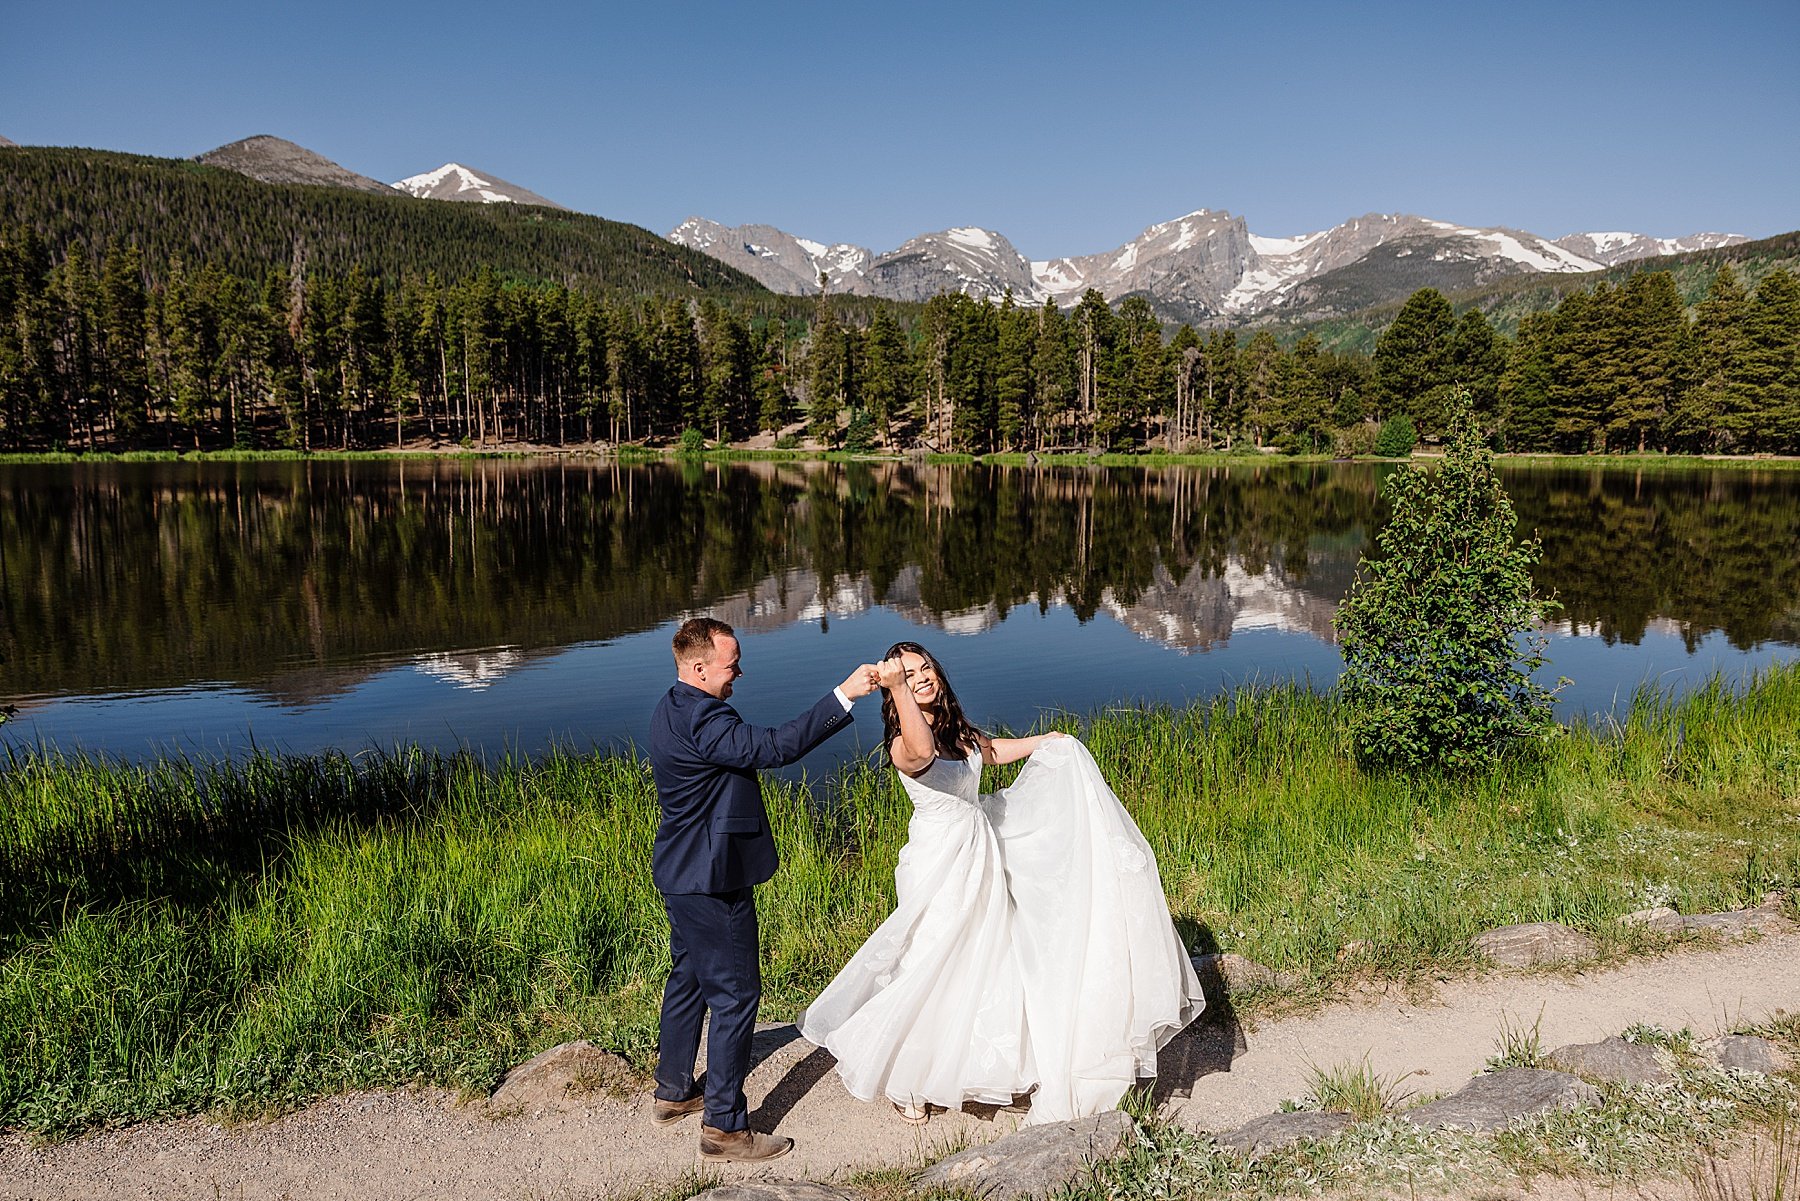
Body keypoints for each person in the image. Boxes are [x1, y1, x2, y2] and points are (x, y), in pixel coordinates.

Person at [797, 641, 1205, 1126]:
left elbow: (987, 752)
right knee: (934, 964)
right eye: (909, 674)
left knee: (988, 960)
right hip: (940, 865)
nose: (922, 677)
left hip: (980, 853)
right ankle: (908, 1078)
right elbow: (923, 752)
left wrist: (1045, 741)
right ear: (894, 688)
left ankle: (984, 1066)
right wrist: (898, 688)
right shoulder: (904, 742)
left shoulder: (954, 729)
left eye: (926, 668)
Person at [647, 616, 879, 1162]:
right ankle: (724, 1127)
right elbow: (775, 747)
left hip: (680, 872)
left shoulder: (671, 706)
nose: (740, 673)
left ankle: (673, 1090)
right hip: (714, 877)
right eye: (732, 665)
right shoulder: (707, 719)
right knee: (735, 994)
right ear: (699, 668)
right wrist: (844, 695)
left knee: (689, 979)